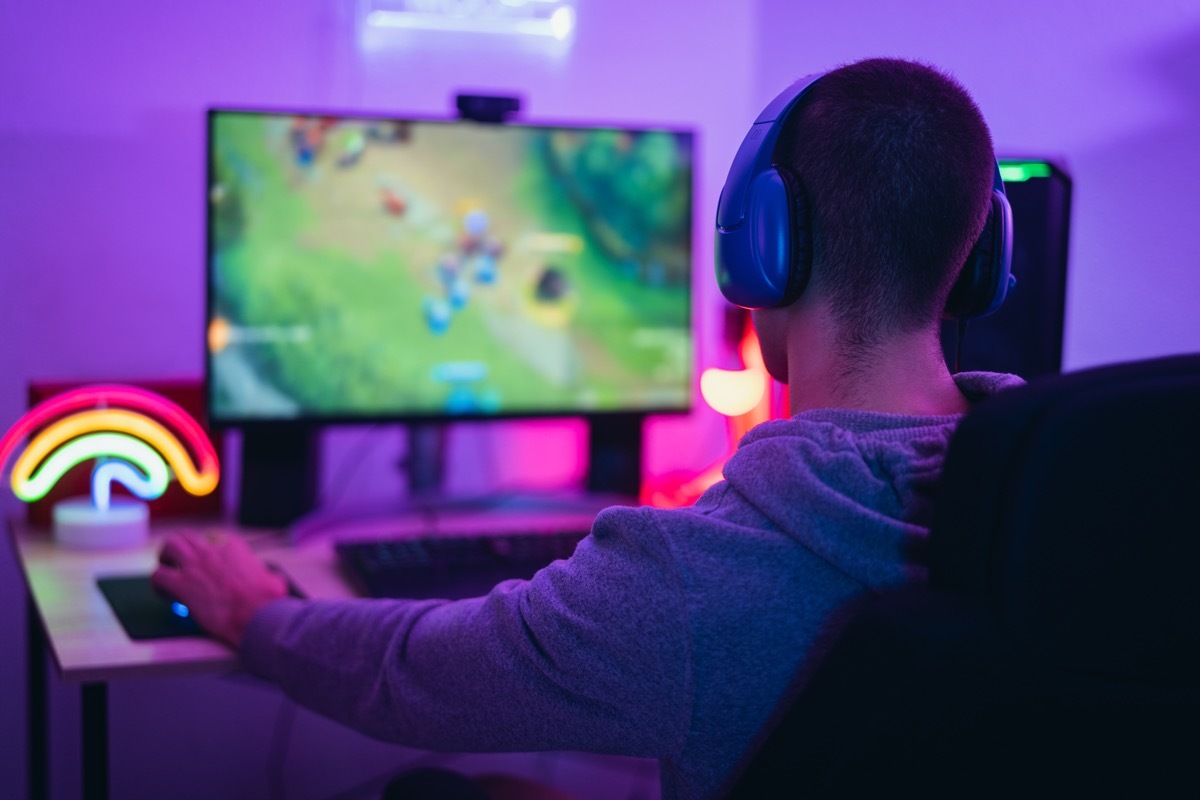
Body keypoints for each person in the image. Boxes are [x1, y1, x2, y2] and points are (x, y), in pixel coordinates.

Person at [153, 57, 1024, 800]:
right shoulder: (1077, 498)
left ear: (762, 243)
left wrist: (261, 615)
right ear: (981, 258)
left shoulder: (690, 578)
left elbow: (415, 675)